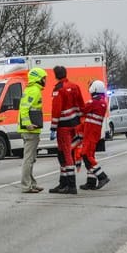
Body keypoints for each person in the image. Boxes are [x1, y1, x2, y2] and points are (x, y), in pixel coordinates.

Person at [48, 65, 85, 194]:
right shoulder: (75, 86)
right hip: (75, 124)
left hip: (63, 126)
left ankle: (71, 185)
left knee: (66, 154)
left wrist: (53, 127)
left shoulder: (58, 89)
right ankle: (63, 183)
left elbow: (56, 110)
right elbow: (81, 104)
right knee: (62, 155)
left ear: (56, 75)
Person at [17, 67, 47, 193]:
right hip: (30, 131)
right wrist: (28, 124)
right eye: (44, 78)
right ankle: (26, 186)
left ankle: (32, 183)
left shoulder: (30, 89)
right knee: (28, 159)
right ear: (38, 78)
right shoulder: (34, 91)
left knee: (31, 159)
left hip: (31, 130)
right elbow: (24, 109)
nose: (45, 80)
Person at [79, 80, 111, 190]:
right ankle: (91, 182)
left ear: (94, 89)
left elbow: (82, 110)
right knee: (90, 155)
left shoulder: (94, 102)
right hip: (94, 133)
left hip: (90, 133)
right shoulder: (102, 102)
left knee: (86, 155)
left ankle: (102, 176)